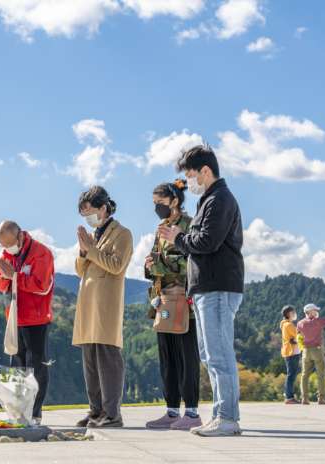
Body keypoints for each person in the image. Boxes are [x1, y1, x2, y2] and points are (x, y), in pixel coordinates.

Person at [159, 145, 244, 437]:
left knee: (220, 355)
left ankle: (229, 417)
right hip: (207, 287)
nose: (188, 182)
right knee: (210, 355)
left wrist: (179, 238)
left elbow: (207, 241)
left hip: (218, 286)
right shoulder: (209, 200)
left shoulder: (220, 199)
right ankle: (221, 414)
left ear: (205, 171)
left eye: (190, 175)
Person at [143, 179, 202, 431]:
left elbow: (188, 261)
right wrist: (149, 265)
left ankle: (191, 411)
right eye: (155, 204)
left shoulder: (189, 226)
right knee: (167, 357)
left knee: (186, 355)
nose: (157, 207)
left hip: (184, 301)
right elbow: (157, 261)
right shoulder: (161, 228)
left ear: (175, 201)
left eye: (161, 203)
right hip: (163, 299)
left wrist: (157, 263)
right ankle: (171, 410)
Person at [72, 186, 133, 428]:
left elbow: (116, 265)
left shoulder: (123, 234)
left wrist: (92, 250)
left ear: (104, 207)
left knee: (107, 359)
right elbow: (79, 270)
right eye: (83, 214)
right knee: (90, 359)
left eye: (90, 211)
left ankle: (112, 413)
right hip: (88, 303)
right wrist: (83, 251)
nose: (88, 218)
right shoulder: (94, 234)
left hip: (106, 303)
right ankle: (95, 410)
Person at [0, 220, 55, 424]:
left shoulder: (40, 253)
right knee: (16, 366)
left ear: (19, 236)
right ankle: (18, 410)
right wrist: (4, 277)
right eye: (3, 246)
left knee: (36, 367)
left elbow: (42, 286)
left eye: (9, 244)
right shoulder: (7, 254)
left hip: (36, 319)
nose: (7, 249)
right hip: (15, 318)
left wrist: (15, 276)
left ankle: (35, 413)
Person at [280, 305, 301, 405]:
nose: (294, 314)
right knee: (291, 375)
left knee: (291, 375)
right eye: (292, 312)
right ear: (288, 314)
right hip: (291, 352)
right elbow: (299, 335)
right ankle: (289, 397)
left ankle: (289, 396)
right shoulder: (288, 325)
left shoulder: (286, 324)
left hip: (292, 352)